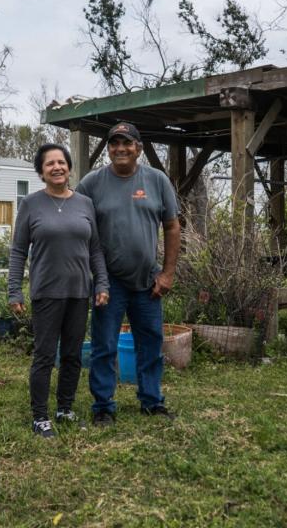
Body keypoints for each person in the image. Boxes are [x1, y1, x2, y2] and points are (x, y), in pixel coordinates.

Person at [76, 121, 181, 426]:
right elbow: (75, 218)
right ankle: (103, 407)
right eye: (114, 143)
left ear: (139, 147)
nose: (120, 149)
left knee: (150, 343)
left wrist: (168, 273)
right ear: (108, 149)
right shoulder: (92, 183)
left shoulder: (157, 180)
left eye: (127, 143)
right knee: (104, 345)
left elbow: (172, 226)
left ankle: (151, 401)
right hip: (107, 283)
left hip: (148, 281)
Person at [8, 144, 110, 438]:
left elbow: (95, 250)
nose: (57, 167)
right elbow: (17, 251)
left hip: (79, 292)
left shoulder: (84, 204)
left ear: (69, 167)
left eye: (61, 162)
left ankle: (65, 408)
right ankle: (40, 416)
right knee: (43, 355)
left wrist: (101, 283)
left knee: (73, 355)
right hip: (46, 293)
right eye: (49, 163)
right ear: (41, 172)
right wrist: (14, 290)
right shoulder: (31, 204)